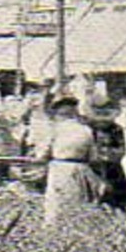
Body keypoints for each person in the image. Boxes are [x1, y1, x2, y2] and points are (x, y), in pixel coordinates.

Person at [36, 95, 99, 226]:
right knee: (77, 201)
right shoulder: (86, 130)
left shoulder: (55, 129)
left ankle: (54, 229)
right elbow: (93, 156)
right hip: (81, 169)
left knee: (56, 203)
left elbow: (42, 154)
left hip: (61, 168)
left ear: (59, 113)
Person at [88, 99, 126, 211]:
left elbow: (122, 149)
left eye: (105, 113)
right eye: (98, 113)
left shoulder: (116, 129)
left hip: (112, 167)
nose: (102, 117)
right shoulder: (88, 128)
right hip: (92, 168)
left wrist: (109, 156)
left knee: (117, 196)